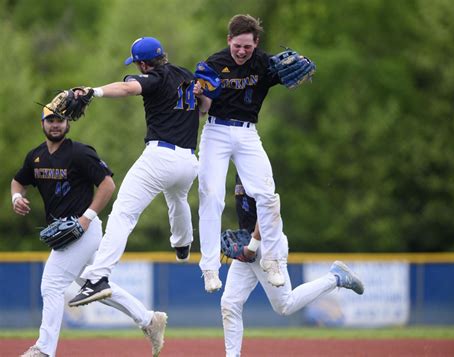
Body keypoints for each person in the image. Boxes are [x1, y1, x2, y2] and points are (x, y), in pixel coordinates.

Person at [12, 107, 167, 357]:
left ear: (67, 123)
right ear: (42, 123)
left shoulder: (79, 152)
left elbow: (107, 184)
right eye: (50, 120)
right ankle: (149, 320)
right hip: (65, 232)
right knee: (93, 284)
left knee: (51, 285)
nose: (55, 125)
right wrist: (16, 196)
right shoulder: (36, 157)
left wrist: (87, 217)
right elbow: (18, 180)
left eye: (60, 120)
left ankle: (44, 350)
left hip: (84, 229)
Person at [68, 36, 206, 307]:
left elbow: (128, 88)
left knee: (123, 213)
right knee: (177, 199)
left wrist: (93, 91)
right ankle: (182, 244)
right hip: (190, 161)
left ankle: (98, 277)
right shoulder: (186, 75)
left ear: (143, 64)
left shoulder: (153, 78)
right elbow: (202, 109)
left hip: (160, 156)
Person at [197, 14, 308, 292]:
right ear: (229, 40)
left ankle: (272, 260)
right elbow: (203, 109)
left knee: (267, 195)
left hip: (247, 133)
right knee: (211, 196)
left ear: (256, 43)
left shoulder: (263, 63)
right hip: (216, 132)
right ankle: (210, 268)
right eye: (238, 45)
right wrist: (200, 94)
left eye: (248, 46)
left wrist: (300, 64)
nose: (242, 51)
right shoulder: (215, 63)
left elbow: (289, 72)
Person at [221, 175, 365, 356]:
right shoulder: (239, 169)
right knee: (229, 303)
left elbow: (270, 209)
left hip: (267, 246)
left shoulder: (254, 166)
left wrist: (253, 246)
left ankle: (335, 278)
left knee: (285, 305)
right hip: (249, 246)